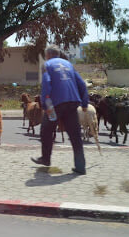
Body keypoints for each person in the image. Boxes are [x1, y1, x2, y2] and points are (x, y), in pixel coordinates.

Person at [31, 45, 89, 174]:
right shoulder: (69, 64)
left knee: (46, 130)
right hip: (72, 103)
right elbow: (82, 84)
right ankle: (80, 167)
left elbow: (46, 84)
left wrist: (45, 105)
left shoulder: (47, 65)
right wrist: (85, 103)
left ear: (48, 55)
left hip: (56, 104)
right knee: (75, 136)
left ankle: (46, 159)